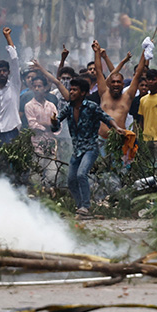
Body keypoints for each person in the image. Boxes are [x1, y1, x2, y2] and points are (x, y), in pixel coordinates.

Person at [51, 77, 127, 217]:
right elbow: (55, 126)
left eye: (75, 90)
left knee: (81, 174)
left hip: (91, 148)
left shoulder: (91, 106)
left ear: (83, 92)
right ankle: (81, 207)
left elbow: (106, 117)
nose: (71, 92)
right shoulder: (68, 108)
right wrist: (54, 122)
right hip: (77, 150)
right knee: (71, 180)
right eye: (71, 89)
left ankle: (86, 206)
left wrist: (116, 128)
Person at [93, 40, 146, 140]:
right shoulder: (104, 93)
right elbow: (99, 71)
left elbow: (138, 74)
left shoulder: (128, 96)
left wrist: (145, 51)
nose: (116, 84)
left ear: (123, 84)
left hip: (121, 140)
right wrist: (96, 53)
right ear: (109, 83)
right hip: (102, 140)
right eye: (113, 82)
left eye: (118, 82)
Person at [0, 27, 22, 152]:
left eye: (4, 71)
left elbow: (14, 60)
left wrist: (8, 38)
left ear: (8, 72)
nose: (2, 73)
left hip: (11, 132)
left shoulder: (14, 85)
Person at [24, 75, 59, 157]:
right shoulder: (29, 106)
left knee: (52, 168)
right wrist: (48, 125)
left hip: (51, 145)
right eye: (34, 86)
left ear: (45, 88)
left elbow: (57, 124)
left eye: (39, 86)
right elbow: (33, 125)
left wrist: (42, 123)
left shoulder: (51, 106)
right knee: (37, 168)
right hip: (36, 145)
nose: (36, 89)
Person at [137, 69, 157, 150]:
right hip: (146, 139)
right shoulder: (143, 100)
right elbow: (141, 120)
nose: (151, 82)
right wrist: (140, 138)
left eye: (153, 79)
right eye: (149, 79)